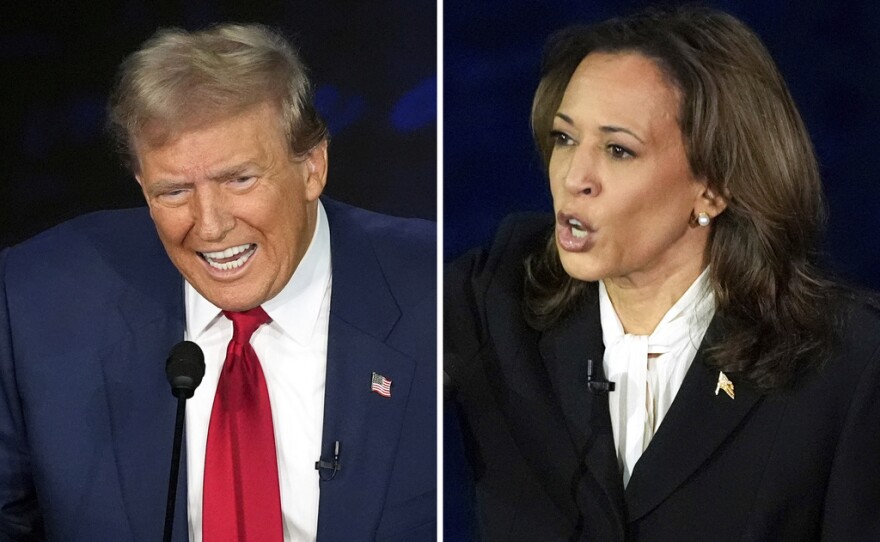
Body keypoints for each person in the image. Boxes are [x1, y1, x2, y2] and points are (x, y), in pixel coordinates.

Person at [445, 6, 880, 541]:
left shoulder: (848, 367)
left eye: (618, 150)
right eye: (564, 138)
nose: (575, 177)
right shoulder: (495, 300)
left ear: (714, 187)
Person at [0, 24, 436, 541]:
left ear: (313, 167)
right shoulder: (37, 301)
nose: (209, 226)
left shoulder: (437, 291)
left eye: (239, 179)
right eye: (174, 191)